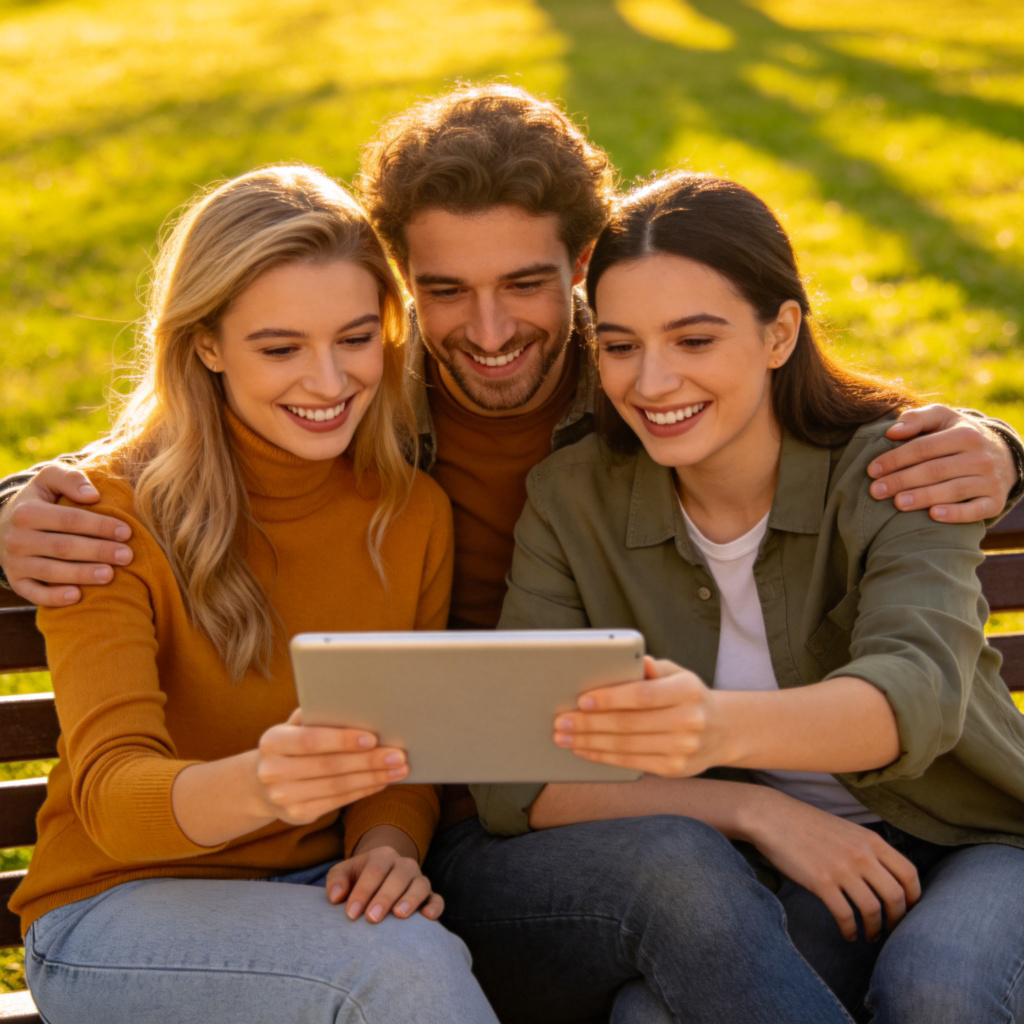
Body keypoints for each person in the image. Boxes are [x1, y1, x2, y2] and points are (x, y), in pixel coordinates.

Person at [1, 85, 1022, 1021]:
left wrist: (1001, 452)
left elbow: (800, 406)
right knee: (654, 884)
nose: (487, 330)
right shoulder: (373, 419)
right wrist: (11, 509)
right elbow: (176, 464)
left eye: (526, 283)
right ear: (407, 286)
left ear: (581, 270)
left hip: (448, 835)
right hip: (505, 825)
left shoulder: (629, 387)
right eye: (443, 291)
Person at [480, 170, 1024, 1024]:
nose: (652, 384)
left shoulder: (897, 468)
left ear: (780, 334)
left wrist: (713, 725)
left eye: (695, 341)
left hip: (976, 837)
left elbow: (916, 691)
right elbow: (517, 780)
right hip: (778, 863)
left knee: (941, 989)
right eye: (620, 346)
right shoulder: (571, 499)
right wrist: (750, 806)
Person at [8, 164, 500, 1024]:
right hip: (115, 912)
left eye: (355, 339)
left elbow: (399, 753)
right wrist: (268, 784)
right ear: (206, 345)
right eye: (280, 349)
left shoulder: (410, 511)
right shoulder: (104, 517)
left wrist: (387, 843)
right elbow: (116, 800)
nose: (329, 381)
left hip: (314, 895)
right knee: (403, 971)